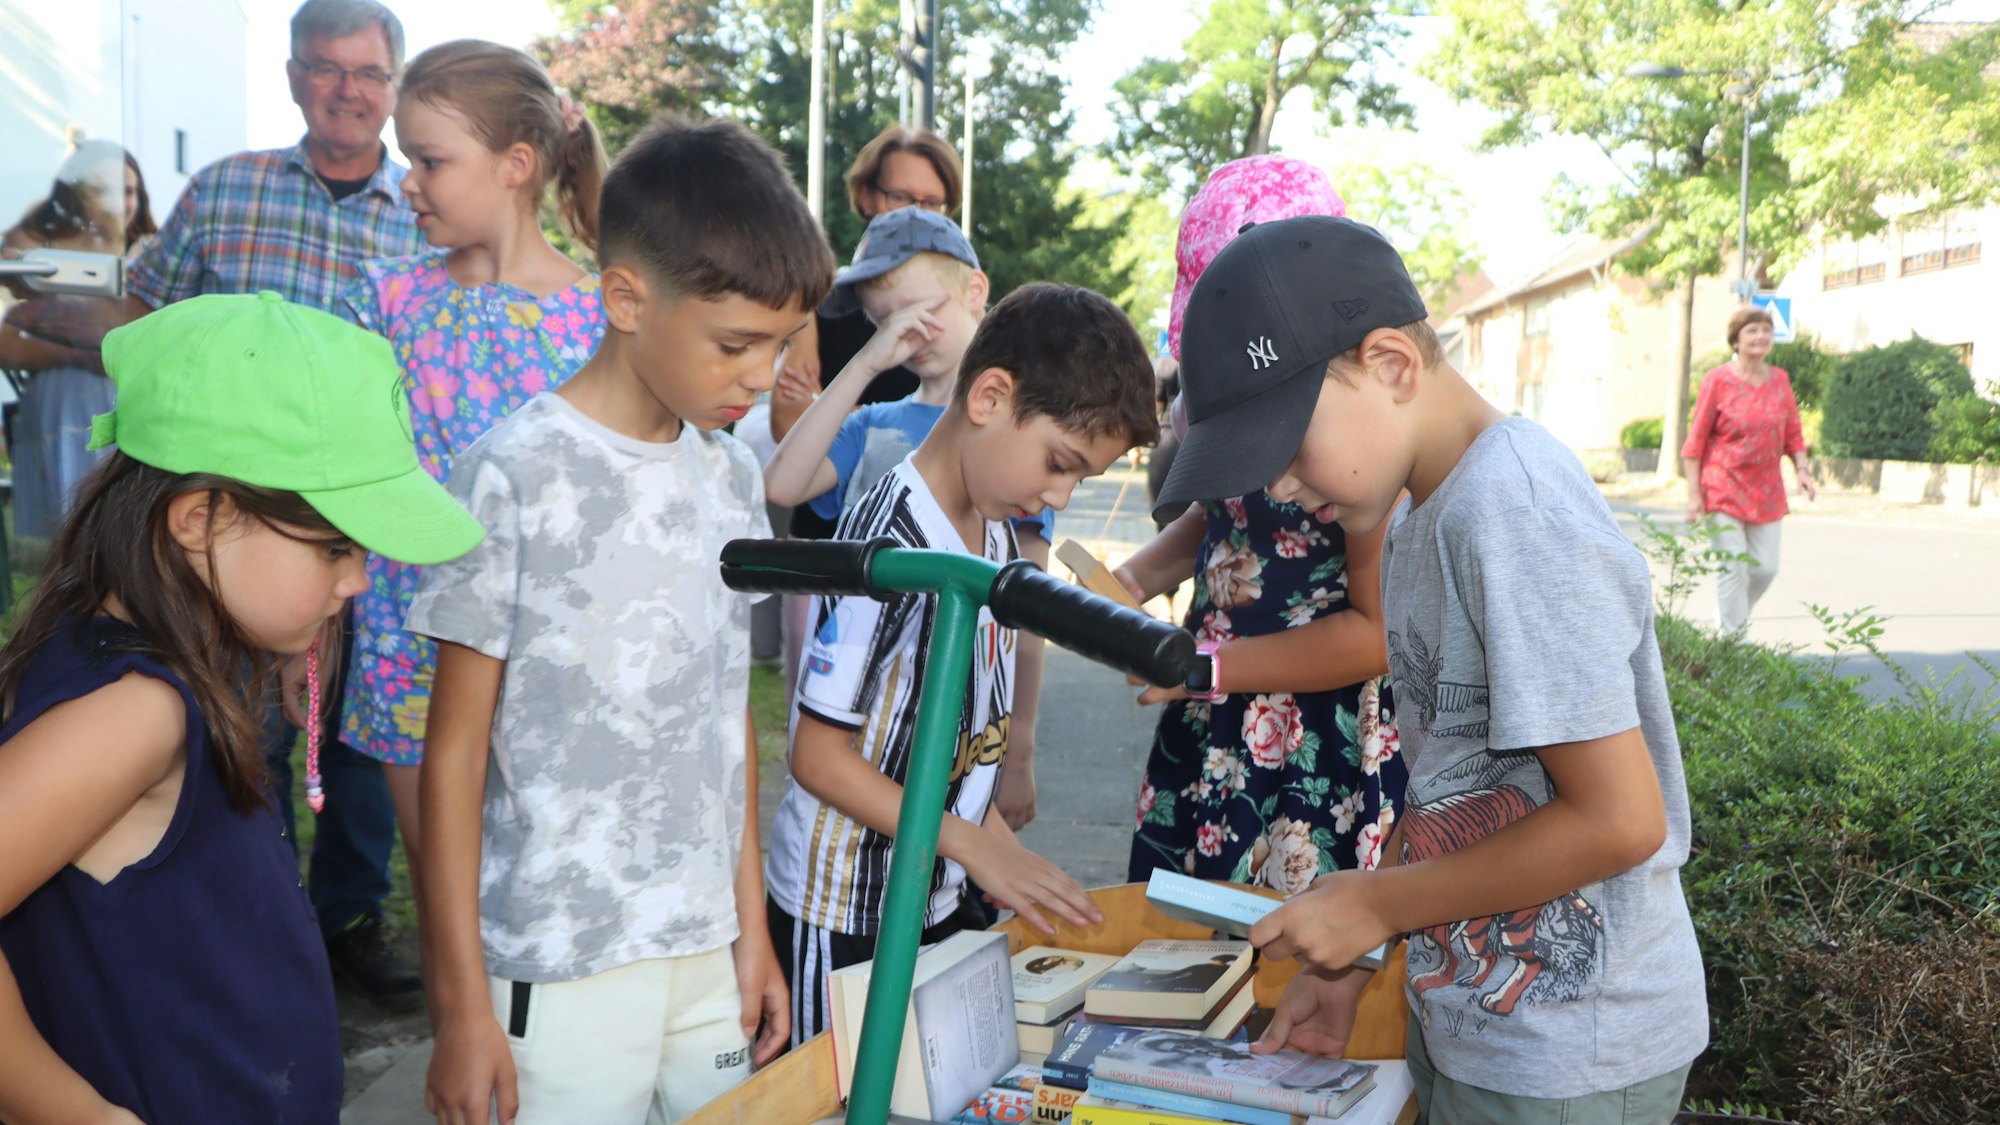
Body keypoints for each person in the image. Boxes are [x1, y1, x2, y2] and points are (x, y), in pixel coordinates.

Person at [1154, 217, 1706, 1120]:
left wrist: (1377, 902)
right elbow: (1447, 786)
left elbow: (1619, 818)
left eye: (1289, 449)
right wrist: (1362, 957)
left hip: (1568, 1050)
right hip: (1476, 1017)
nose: (1281, 487)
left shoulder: (1512, 510)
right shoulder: (1416, 518)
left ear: (1393, 365)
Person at [411, 114, 830, 1124]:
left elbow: (725, 710)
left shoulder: (730, 471)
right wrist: (463, 1009)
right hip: (558, 968)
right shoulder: (513, 472)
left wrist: (750, 929)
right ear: (627, 298)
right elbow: (454, 757)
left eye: (777, 345)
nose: (760, 376)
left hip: (707, 956)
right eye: (736, 343)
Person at [0, 291, 482, 1124]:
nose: (360, 577)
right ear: (201, 517)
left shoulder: (153, 651)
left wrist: (294, 636)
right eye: (336, 545)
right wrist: (73, 1111)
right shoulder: (134, 713)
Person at [123, 0, 427, 1001]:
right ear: (295, 77)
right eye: (327, 68)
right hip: (231, 521)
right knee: (236, 719)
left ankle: (343, 920)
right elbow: (146, 310)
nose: (348, 90)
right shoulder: (226, 191)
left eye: (369, 73)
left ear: (393, 84)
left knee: (358, 728)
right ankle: (237, 910)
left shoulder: (417, 214)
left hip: (362, 516)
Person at [763, 282, 1159, 1045]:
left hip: (931, 891)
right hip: (845, 910)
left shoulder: (996, 529)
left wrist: (1001, 853)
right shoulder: (889, 541)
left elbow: (953, 747)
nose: (1060, 494)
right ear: (989, 398)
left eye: (1079, 479)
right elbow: (815, 754)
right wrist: (975, 845)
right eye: (1058, 462)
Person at [336, 38, 607, 917]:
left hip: (551, 653)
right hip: (408, 646)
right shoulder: (382, 302)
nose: (406, 179)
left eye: (429, 159)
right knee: (448, 892)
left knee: (547, 893)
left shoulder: (601, 318)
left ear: (515, 165)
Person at [1119, 155, 1403, 896]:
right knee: (1189, 942)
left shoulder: (1357, 453)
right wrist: (1135, 579)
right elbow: (1224, 517)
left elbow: (1372, 633)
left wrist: (1209, 668)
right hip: (1215, 716)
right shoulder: (1259, 397)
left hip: (1307, 732)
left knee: (1282, 951)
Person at [765, 206, 1055, 833]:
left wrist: (1021, 747)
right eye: (882, 321)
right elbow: (784, 482)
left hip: (960, 733)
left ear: (974, 292)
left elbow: (1028, 615)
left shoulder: (1016, 442)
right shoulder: (874, 424)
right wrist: (866, 364)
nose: (908, 335)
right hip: (858, 731)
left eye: (921, 313)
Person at [1, 137, 158, 539]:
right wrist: (71, 353)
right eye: (102, 189)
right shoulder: (33, 250)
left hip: (134, 404)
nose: (120, 202)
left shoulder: (156, 255)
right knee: (60, 541)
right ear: (74, 194)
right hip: (59, 404)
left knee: (127, 534)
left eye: (128, 190)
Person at [1682, 305, 1816, 634]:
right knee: (1733, 567)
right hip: (1722, 484)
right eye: (1752, 331)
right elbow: (1696, 439)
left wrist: (1802, 469)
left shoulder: (1780, 380)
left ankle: (1730, 616)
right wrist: (1693, 495)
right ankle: (1732, 643)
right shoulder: (1718, 380)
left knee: (1765, 569)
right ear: (1736, 341)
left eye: (1766, 331)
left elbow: (1793, 433)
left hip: (1766, 489)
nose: (1760, 337)